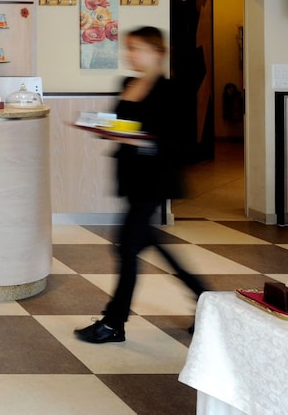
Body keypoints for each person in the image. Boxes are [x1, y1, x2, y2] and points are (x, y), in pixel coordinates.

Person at [75, 26, 206, 344]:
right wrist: (100, 126)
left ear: (157, 53)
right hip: (131, 177)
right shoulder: (127, 84)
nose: (129, 55)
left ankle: (114, 322)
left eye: (136, 49)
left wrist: (145, 141)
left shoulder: (173, 90)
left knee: (127, 247)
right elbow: (120, 124)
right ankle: (208, 302)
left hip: (155, 179)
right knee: (145, 243)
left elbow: (181, 143)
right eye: (128, 48)